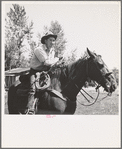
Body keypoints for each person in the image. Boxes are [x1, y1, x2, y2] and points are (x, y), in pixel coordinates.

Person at [26, 31, 59, 114]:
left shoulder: (52, 51)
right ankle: (30, 109)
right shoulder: (39, 50)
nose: (52, 42)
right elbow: (47, 62)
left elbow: (51, 65)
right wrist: (57, 59)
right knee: (32, 88)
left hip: (46, 71)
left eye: (53, 40)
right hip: (35, 71)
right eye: (50, 40)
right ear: (45, 41)